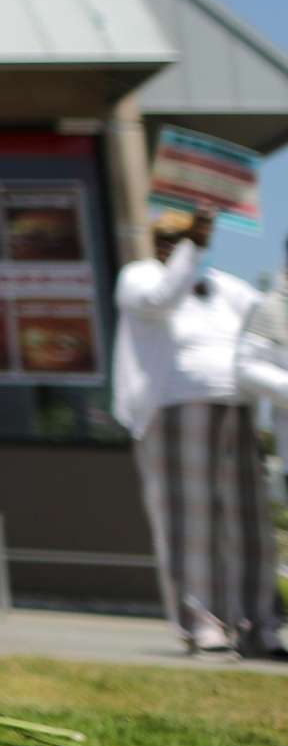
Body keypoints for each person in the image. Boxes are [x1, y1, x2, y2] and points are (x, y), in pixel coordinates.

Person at [112, 207, 281, 659]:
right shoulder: (140, 276)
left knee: (251, 525)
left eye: (182, 237)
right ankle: (203, 622)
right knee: (191, 523)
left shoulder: (225, 285)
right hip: (173, 408)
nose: (176, 244)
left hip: (237, 407)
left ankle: (259, 626)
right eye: (170, 237)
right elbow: (161, 299)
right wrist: (194, 244)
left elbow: (270, 313)